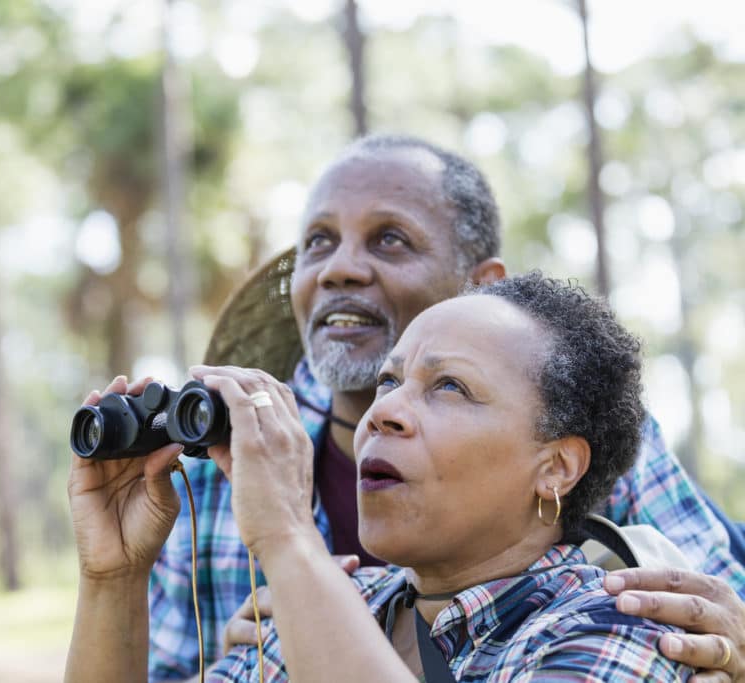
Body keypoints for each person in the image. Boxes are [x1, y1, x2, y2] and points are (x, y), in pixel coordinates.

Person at [147, 134, 745, 681]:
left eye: (390, 239)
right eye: (318, 242)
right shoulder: (213, 467)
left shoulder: (588, 436)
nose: (340, 268)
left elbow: (708, 606)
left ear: (482, 284)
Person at [66, 273, 696, 681]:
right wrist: (113, 577)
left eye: (450, 386)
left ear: (555, 468)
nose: (383, 412)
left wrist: (288, 538)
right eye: (388, 383)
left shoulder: (620, 631)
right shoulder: (327, 615)